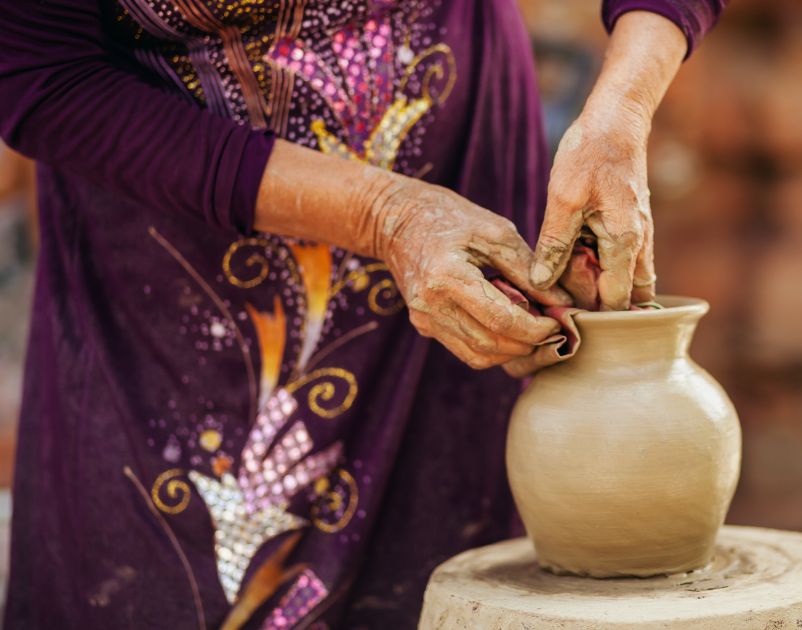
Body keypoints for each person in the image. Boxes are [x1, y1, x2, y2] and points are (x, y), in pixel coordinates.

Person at [0, 0, 722, 626]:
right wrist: (383, 213)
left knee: (448, 572)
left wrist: (621, 111)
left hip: (457, 189)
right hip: (181, 274)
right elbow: (42, 73)